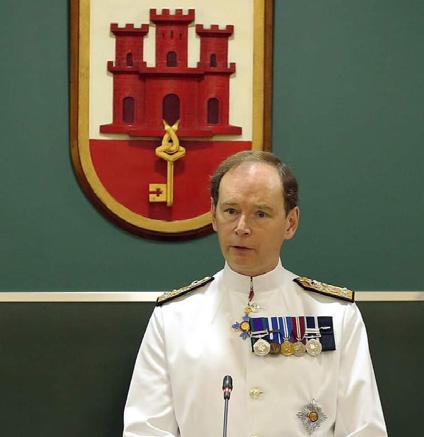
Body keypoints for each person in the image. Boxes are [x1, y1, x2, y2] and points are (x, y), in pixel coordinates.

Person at [123, 151, 387, 436]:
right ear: (213, 215)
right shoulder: (173, 317)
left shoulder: (336, 315)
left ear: (290, 222)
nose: (241, 228)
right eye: (231, 211)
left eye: (260, 214)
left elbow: (364, 429)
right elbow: (146, 430)